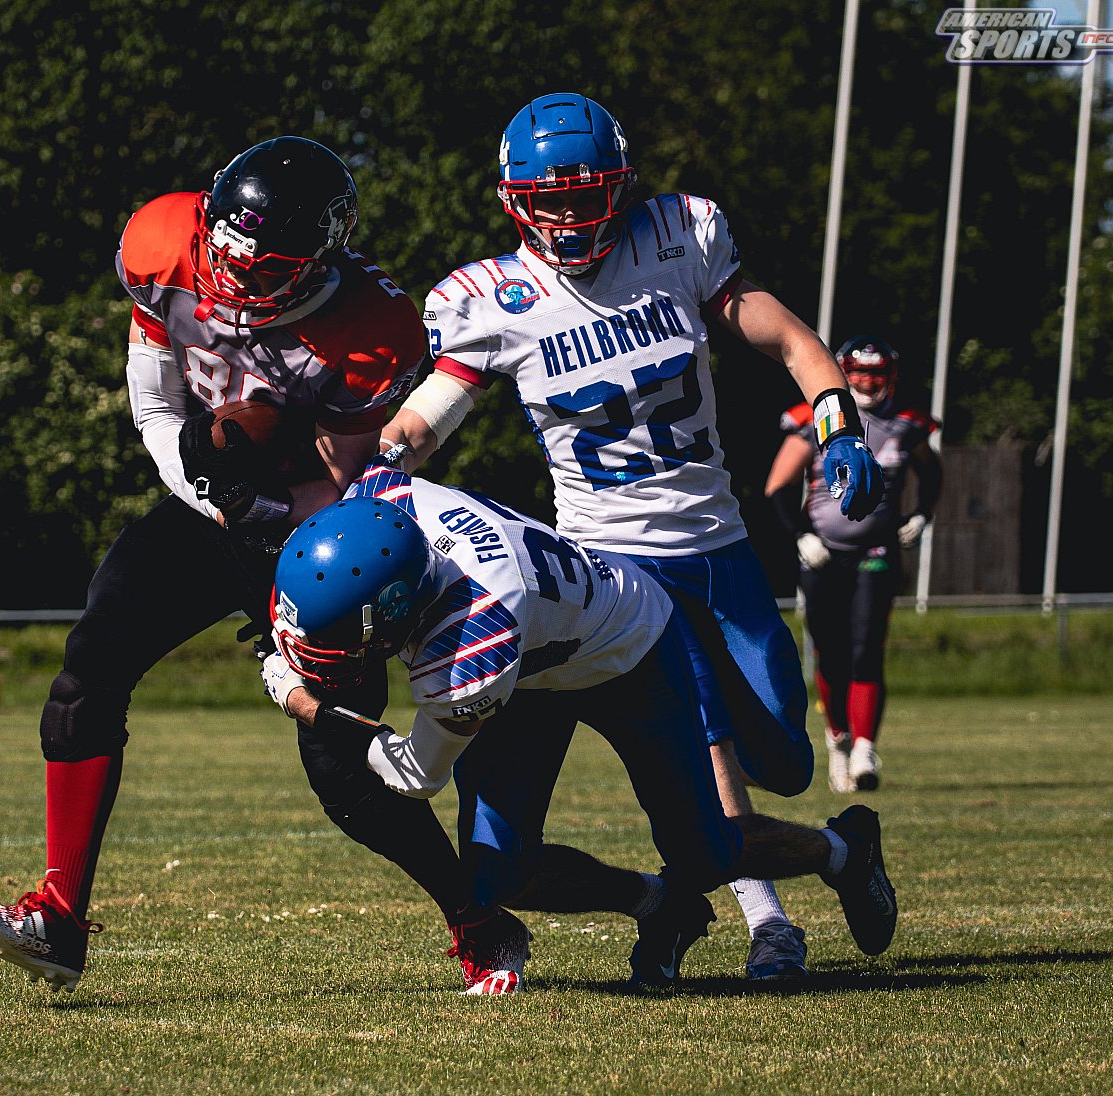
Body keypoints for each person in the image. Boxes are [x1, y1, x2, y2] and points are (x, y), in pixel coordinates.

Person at [369, 92, 889, 983]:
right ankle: (767, 924)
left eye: (588, 194)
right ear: (515, 200)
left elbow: (791, 340)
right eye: (552, 199)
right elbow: (428, 416)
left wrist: (839, 423)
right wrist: (382, 462)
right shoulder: (494, 299)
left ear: (621, 186)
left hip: (721, 547)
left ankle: (838, 850)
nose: (571, 217)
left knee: (786, 760)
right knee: (711, 755)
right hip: (616, 563)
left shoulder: (676, 239)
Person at [0, 136, 473, 991]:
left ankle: (475, 916)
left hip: (313, 529)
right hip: (211, 502)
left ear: (319, 259)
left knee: (343, 774)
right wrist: (212, 489)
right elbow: (156, 409)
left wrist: (260, 508)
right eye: (228, 252)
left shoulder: (371, 325)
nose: (235, 278)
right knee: (89, 668)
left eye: (266, 267)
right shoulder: (165, 242)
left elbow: (342, 480)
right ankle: (59, 917)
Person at [259, 467, 898, 994]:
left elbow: (415, 774)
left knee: (703, 854)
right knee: (497, 875)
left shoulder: (472, 640)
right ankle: (659, 904)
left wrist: (301, 702)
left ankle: (841, 850)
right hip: (535, 651)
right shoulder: (379, 498)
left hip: (629, 650)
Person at [765, 335, 942, 792]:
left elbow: (932, 473)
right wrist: (801, 534)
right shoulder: (814, 419)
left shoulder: (906, 423)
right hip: (823, 552)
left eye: (875, 373)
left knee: (866, 648)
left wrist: (920, 514)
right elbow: (778, 486)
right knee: (830, 651)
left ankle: (865, 748)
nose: (867, 382)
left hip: (875, 550)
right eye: (859, 372)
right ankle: (838, 738)